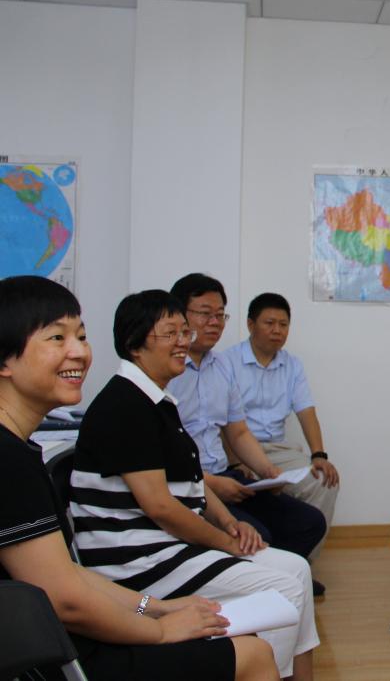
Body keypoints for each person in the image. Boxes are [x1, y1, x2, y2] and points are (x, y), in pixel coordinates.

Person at [0, 275, 276, 681]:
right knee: (254, 654)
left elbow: (68, 574)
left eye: (81, 336)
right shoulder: (9, 458)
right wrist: (160, 629)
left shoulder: (19, 449)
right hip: (51, 659)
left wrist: (156, 607)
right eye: (57, 338)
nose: (79, 352)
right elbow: (66, 601)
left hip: (51, 640)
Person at [70, 289, 319, 680]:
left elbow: (193, 480)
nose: (183, 342)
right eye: (170, 334)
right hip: (137, 562)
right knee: (281, 587)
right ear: (135, 344)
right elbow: (160, 507)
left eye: (184, 333)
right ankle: (261, 671)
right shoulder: (125, 405)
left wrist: (230, 524)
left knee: (298, 570)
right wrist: (223, 542)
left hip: (163, 547)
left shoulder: (158, 400)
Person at [166, 274, 328, 595]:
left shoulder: (221, 367)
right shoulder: (168, 370)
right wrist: (213, 482)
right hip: (190, 484)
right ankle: (265, 585)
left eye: (220, 315)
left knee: (310, 522)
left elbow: (238, 432)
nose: (214, 322)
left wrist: (267, 472)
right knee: (259, 533)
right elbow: (163, 455)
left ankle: (280, 580)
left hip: (225, 474)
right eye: (205, 314)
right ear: (179, 316)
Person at [223, 293, 339, 563]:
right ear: (250, 324)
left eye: (283, 324)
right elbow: (222, 423)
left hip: (278, 449)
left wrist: (319, 455)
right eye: (269, 323)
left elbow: (306, 412)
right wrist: (237, 461)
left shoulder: (292, 365)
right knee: (248, 490)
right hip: (237, 448)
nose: (277, 330)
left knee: (323, 481)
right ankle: (269, 563)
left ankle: (302, 563)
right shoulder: (226, 362)